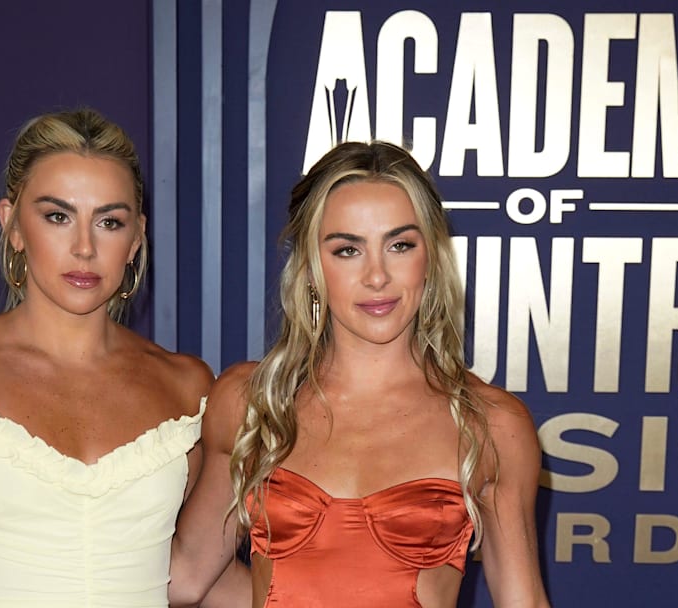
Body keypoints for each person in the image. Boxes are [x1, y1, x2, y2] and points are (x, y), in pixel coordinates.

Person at [170, 141, 550, 607]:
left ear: (429, 258)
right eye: (348, 250)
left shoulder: (492, 423)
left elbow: (524, 602)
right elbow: (188, 578)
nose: (377, 276)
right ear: (311, 267)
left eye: (400, 245)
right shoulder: (251, 402)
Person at [0, 108, 215, 608]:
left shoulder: (188, 387)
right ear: (12, 225)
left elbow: (190, 576)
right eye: (58, 216)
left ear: (136, 238)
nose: (84, 247)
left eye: (109, 221)